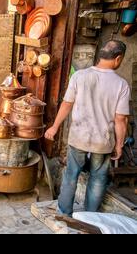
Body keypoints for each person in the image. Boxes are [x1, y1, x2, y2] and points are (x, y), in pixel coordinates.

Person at [45, 40, 130, 217]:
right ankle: (91, 216)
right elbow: (120, 119)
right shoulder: (121, 84)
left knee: (71, 175)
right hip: (103, 140)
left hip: (79, 136)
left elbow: (67, 104)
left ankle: (64, 213)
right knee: (98, 178)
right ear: (118, 58)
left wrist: (54, 127)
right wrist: (119, 145)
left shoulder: (79, 76)